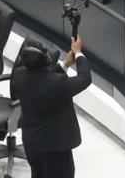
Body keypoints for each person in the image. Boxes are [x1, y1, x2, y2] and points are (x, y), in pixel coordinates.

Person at [12, 36, 91, 178]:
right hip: (55, 150)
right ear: (47, 61)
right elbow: (85, 78)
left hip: (31, 145)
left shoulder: (19, 75)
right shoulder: (57, 84)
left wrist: (65, 64)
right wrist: (78, 53)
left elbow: (43, 77)